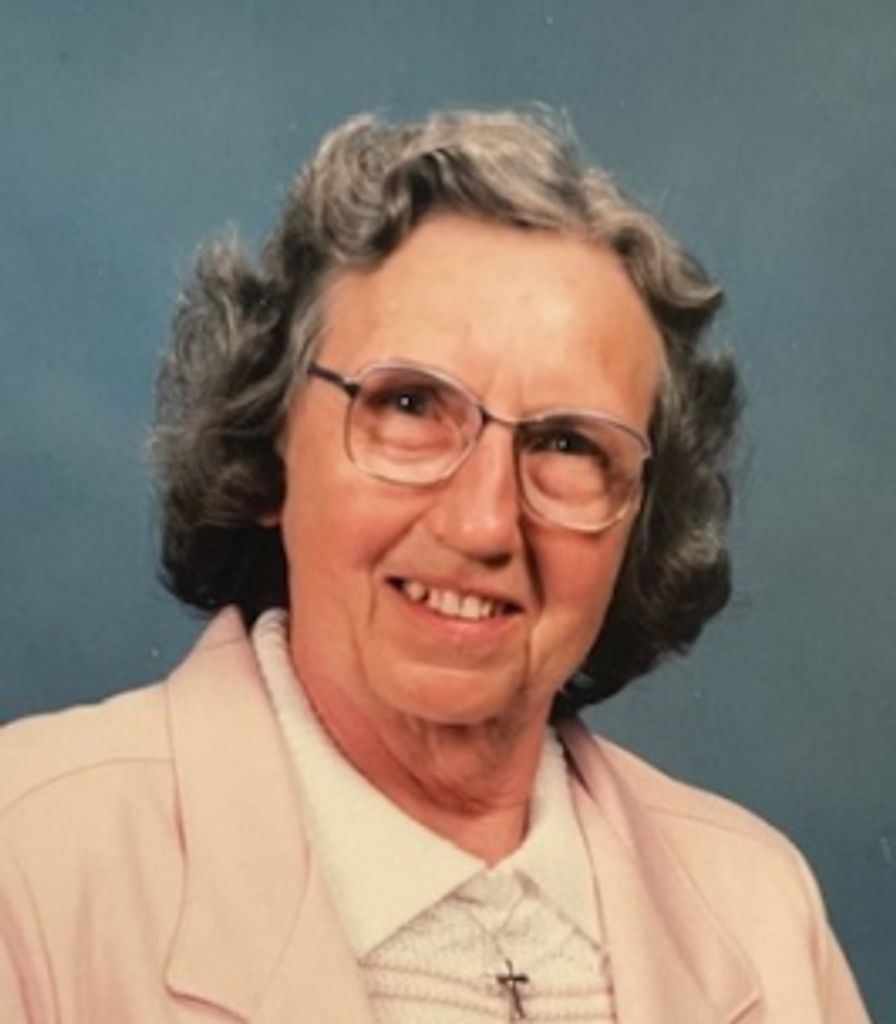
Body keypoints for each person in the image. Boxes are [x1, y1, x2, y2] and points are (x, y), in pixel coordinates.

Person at [0, 109, 869, 1023]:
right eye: (409, 405)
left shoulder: (759, 907)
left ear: (642, 522)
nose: (483, 522)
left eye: (568, 444)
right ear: (268, 449)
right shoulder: (29, 853)